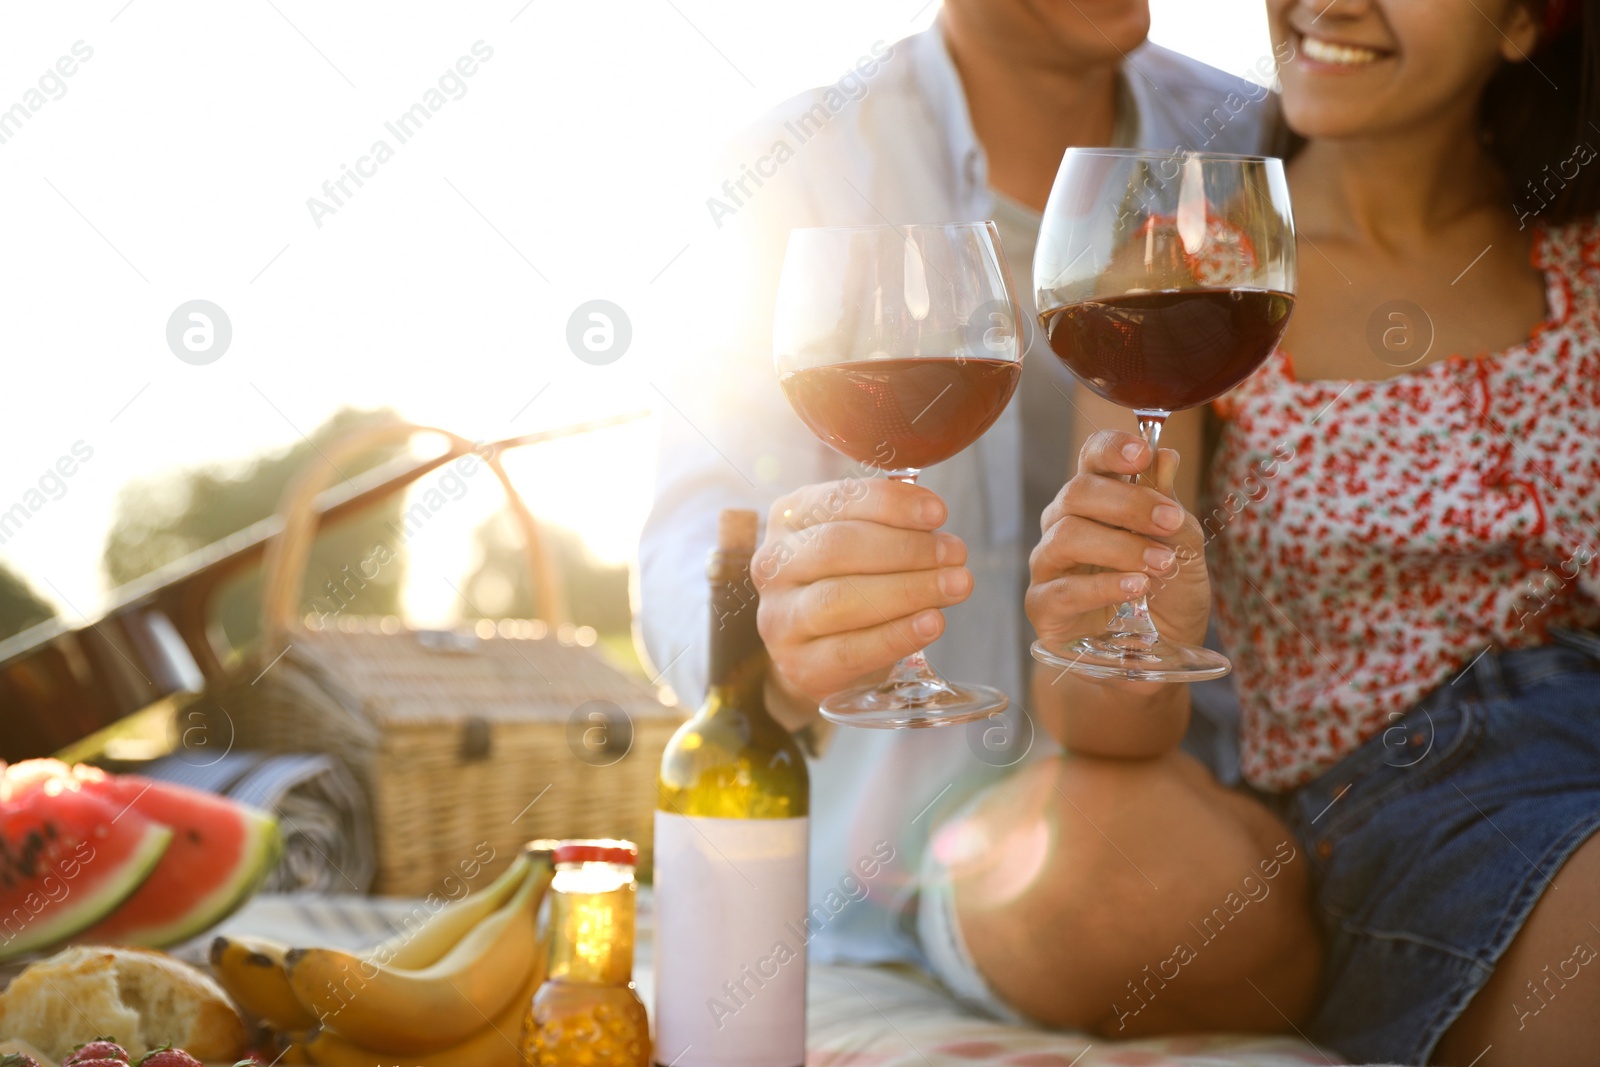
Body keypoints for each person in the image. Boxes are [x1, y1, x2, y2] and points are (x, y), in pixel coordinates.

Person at [940, 0, 1600, 1063]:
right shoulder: (1184, 265)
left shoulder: (1581, 256)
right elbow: (1105, 728)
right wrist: (1129, 619)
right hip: (1388, 798)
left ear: (1524, 23)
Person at [640, 0, 1272, 973]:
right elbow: (691, 530)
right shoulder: (791, 167)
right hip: (869, 871)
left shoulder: (1259, 137)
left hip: (1167, 814)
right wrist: (763, 630)